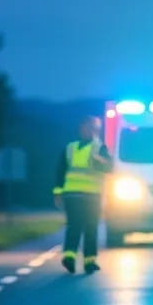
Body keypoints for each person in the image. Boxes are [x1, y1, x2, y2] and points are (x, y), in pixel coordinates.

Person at [54, 115, 112, 274]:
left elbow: (110, 168)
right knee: (75, 225)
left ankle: (89, 261)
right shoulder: (70, 148)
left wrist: (102, 162)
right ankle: (69, 257)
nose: (91, 131)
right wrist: (58, 192)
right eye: (88, 127)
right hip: (72, 194)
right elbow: (60, 171)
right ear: (81, 128)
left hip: (92, 195)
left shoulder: (100, 148)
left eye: (94, 128)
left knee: (91, 227)